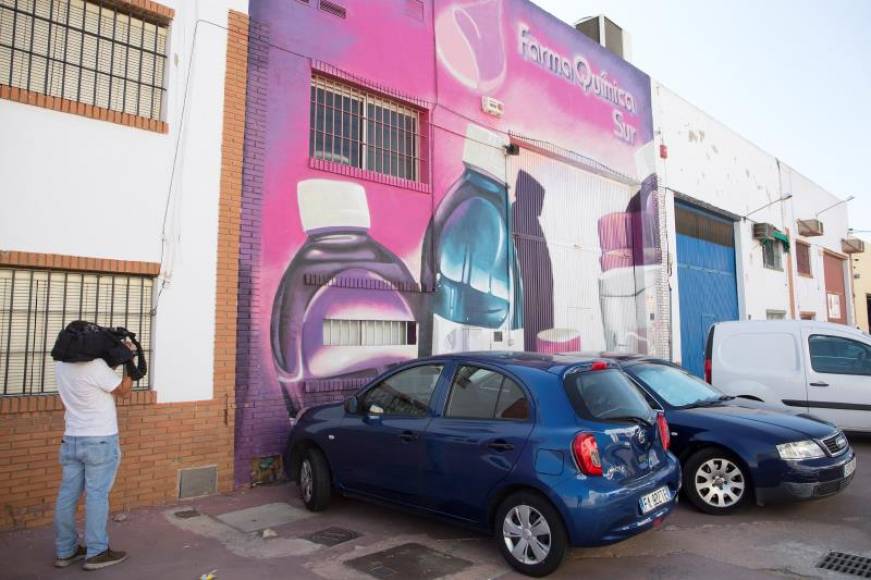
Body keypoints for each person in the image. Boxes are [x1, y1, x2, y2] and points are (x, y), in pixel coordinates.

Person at [53, 344, 133, 571]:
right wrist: (129, 363)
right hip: (99, 439)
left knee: (67, 496)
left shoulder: (61, 365)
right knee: (97, 495)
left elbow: (101, 378)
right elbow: (124, 391)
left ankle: (65, 550)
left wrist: (114, 360)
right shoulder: (96, 366)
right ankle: (97, 552)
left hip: (72, 438)